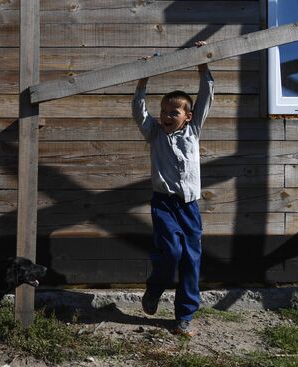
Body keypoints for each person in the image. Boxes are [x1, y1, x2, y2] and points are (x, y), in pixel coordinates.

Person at [132, 41, 214, 337]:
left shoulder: (193, 131)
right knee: (172, 252)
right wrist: (143, 79)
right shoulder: (154, 133)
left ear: (187, 116)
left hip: (189, 206)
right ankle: (154, 289)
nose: (167, 115)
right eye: (164, 110)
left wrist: (202, 64)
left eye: (174, 112)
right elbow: (139, 111)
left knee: (191, 259)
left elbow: (205, 97)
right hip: (164, 204)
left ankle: (184, 316)